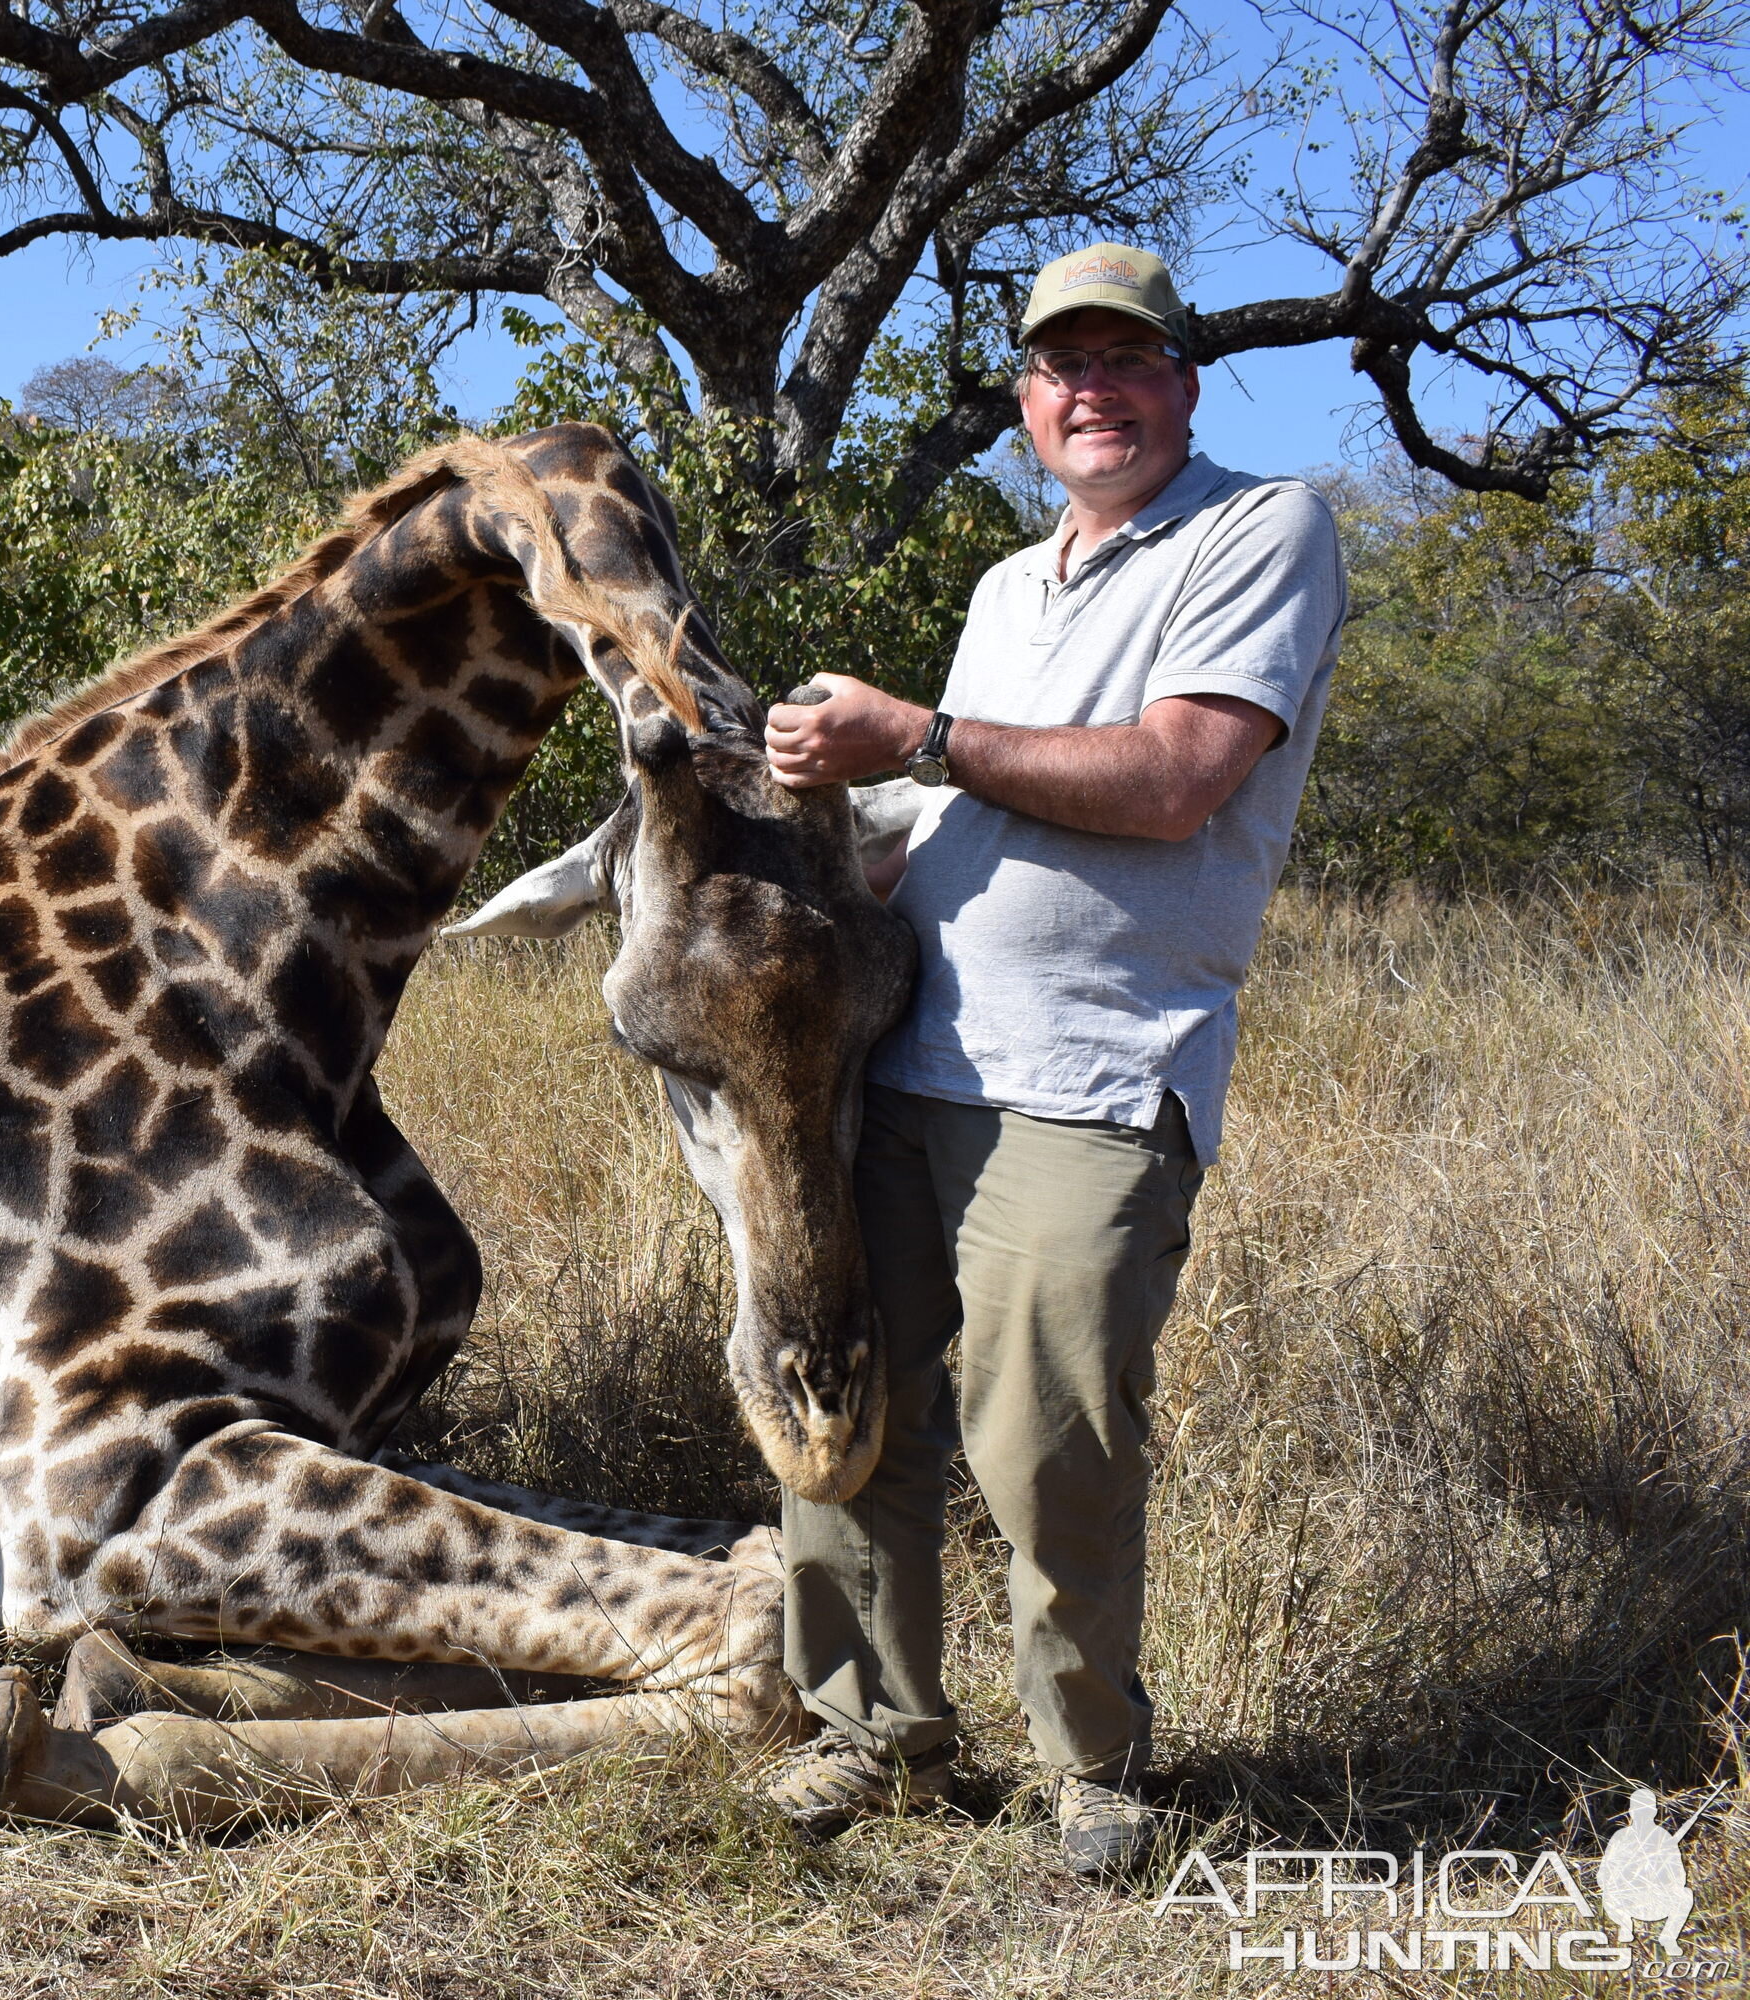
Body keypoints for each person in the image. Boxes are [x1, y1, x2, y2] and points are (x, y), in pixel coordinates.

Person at [754, 243, 1348, 1875]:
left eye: (1126, 360)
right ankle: (876, 1734)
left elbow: (1174, 782)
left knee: (1046, 1441)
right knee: (845, 1405)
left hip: (1090, 1077)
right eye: (1060, 367)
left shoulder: (1260, 529)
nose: (1094, 390)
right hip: (908, 1064)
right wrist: (809, 841)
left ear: (1184, 383)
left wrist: (917, 735)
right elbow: (952, 824)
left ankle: (1092, 1767)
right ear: (1027, 404)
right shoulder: (1010, 587)